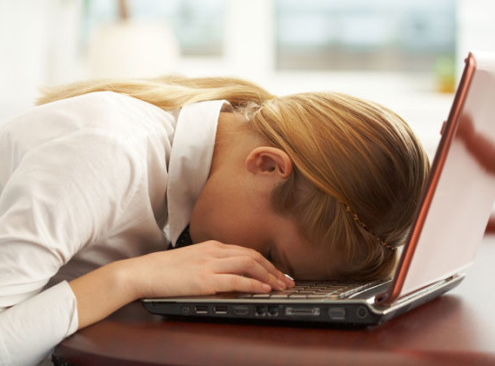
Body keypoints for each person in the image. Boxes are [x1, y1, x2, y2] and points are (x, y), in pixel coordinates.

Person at [0, 76, 429, 366]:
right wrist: (129, 278)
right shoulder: (107, 155)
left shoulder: (180, 172)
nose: (255, 267)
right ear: (265, 165)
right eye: (270, 254)